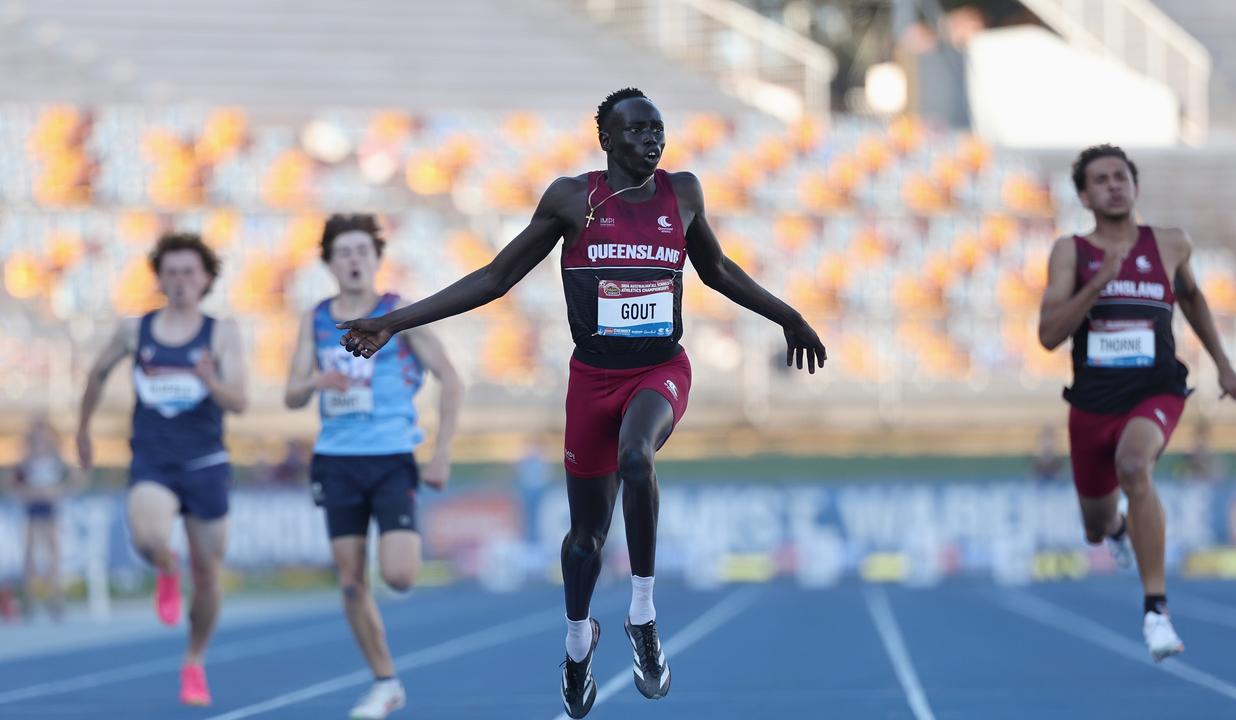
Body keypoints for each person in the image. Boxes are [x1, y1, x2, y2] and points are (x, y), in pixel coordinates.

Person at [337, 88, 827, 718]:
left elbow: (719, 270)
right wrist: (393, 322)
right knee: (583, 541)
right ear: (607, 139)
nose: (652, 140)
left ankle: (643, 615)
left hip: (659, 367)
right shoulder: (573, 198)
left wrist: (789, 317)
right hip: (591, 383)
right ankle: (576, 644)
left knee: (637, 458)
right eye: (637, 130)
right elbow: (494, 278)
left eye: (659, 129)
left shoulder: (683, 194)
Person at [1037, 144, 1236, 661]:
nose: (1114, 185)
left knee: (1135, 466)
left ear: (1135, 186)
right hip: (1093, 402)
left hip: (1156, 387)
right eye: (1101, 180)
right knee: (1095, 528)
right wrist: (1099, 281)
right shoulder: (1071, 252)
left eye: (1122, 176)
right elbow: (1048, 335)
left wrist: (1225, 366)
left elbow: (1190, 296)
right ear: (1083, 194)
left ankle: (1156, 612)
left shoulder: (1170, 244)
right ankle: (1117, 526)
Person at [284, 214, 463, 720]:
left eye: (364, 250)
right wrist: (315, 383)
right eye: (344, 252)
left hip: (390, 457)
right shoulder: (316, 318)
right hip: (336, 461)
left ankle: (387, 667)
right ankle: (386, 682)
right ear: (329, 262)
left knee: (402, 576)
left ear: (377, 259)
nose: (355, 259)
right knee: (349, 581)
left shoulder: (396, 311)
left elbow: (450, 379)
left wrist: (442, 451)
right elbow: (291, 394)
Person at [77, 232, 246, 705]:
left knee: (210, 576)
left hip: (206, 463)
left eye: (188, 272)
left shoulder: (222, 333)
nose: (179, 281)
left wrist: (210, 380)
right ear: (159, 278)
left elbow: (241, 401)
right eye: (170, 272)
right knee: (150, 538)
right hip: (154, 459)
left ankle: (194, 661)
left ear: (206, 278)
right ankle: (167, 565)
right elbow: (96, 374)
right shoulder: (137, 331)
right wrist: (83, 430)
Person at [5, 415, 84, 621]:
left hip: (51, 508)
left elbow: (76, 481)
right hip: (32, 509)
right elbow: (13, 485)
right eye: (37, 433)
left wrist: (58, 491)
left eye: (43, 433)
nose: (40, 438)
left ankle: (56, 598)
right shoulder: (26, 459)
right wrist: (27, 493)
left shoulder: (56, 458)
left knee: (53, 554)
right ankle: (30, 599)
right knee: (29, 555)